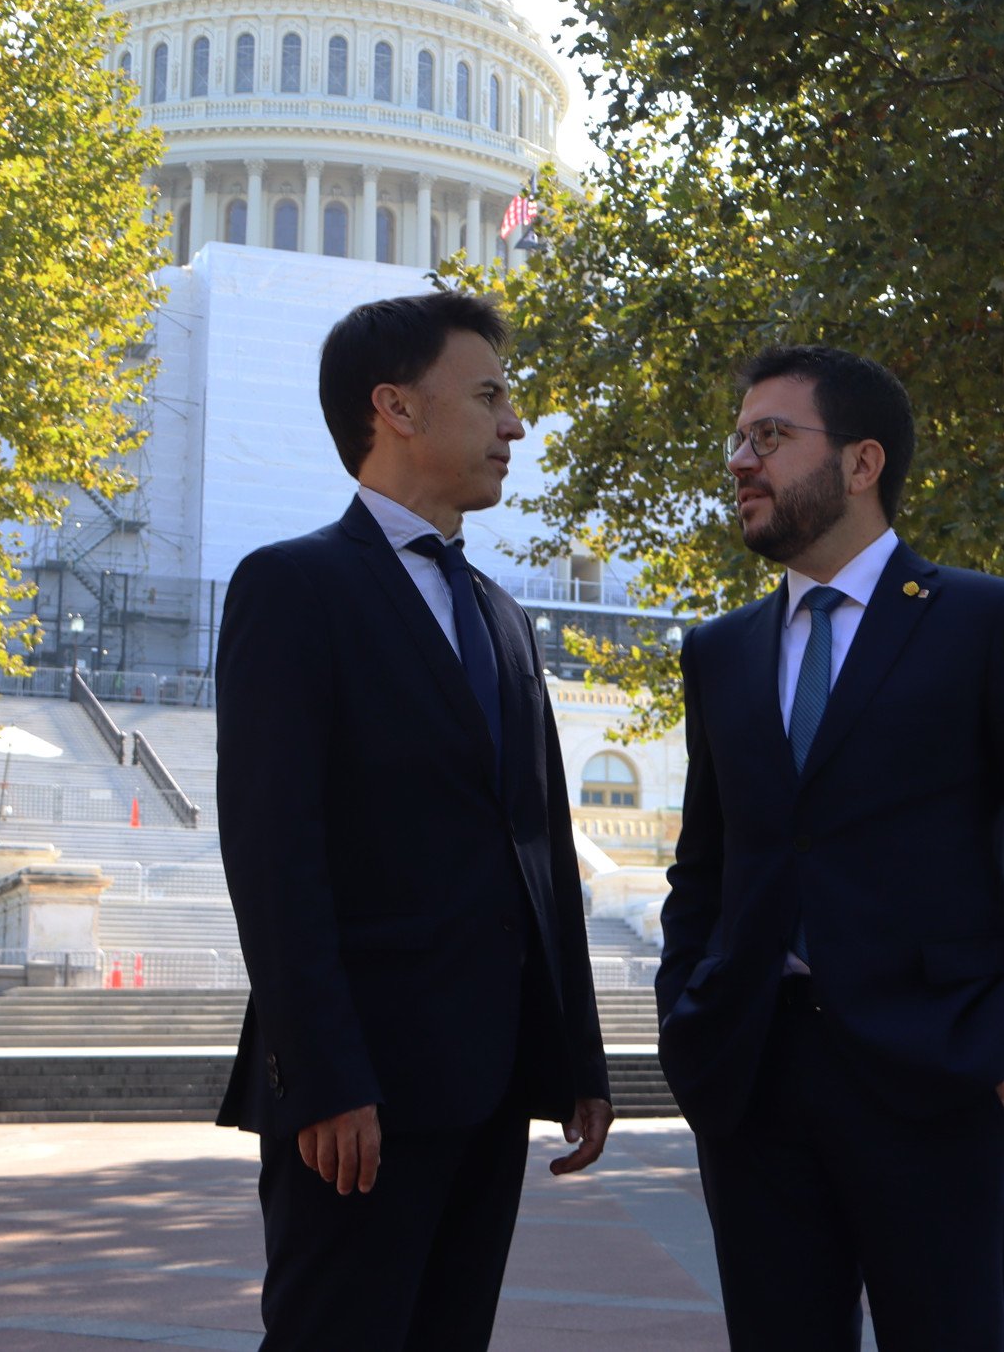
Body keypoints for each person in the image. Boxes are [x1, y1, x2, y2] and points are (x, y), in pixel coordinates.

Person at [657, 345, 1004, 1352]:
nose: (740, 458)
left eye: (770, 436)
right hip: (753, 1078)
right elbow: (705, 866)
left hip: (938, 1073)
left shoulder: (984, 620)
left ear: (862, 463)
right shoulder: (719, 651)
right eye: (738, 436)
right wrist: (688, 1018)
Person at [213, 290, 612, 1351]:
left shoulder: (503, 615)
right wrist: (327, 1077)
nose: (513, 423)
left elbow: (540, 846)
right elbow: (272, 853)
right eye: (488, 394)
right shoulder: (291, 588)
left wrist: (578, 1053)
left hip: (489, 1086)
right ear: (393, 405)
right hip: (360, 1098)